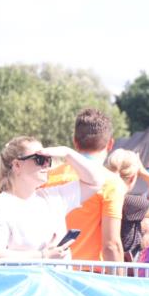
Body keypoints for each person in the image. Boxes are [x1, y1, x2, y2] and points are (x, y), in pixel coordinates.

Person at [0, 137, 108, 263]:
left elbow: (96, 181)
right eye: (40, 159)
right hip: (22, 279)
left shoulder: (53, 197)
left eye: (48, 159)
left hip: (57, 278)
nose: (46, 165)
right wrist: (43, 256)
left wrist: (67, 153)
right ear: (17, 165)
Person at [45, 109, 125, 265]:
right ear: (110, 144)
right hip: (90, 274)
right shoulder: (112, 183)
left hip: (52, 271)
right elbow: (111, 245)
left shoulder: (47, 177)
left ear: (75, 142)